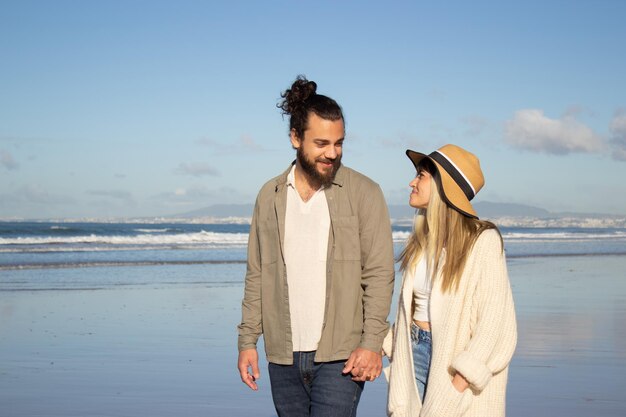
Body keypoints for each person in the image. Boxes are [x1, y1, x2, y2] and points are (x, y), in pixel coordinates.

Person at [237, 75, 395, 417]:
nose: (332, 153)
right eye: (321, 143)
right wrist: (247, 341)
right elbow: (257, 275)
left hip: (341, 355)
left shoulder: (365, 193)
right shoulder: (269, 196)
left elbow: (380, 274)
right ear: (296, 138)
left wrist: (371, 344)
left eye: (339, 143)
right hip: (282, 354)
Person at [383, 144, 517, 417]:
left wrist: (459, 381)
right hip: (415, 353)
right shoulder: (422, 242)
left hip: (454, 367)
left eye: (420, 175)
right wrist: (384, 345)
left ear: (444, 186)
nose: (411, 181)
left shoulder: (483, 241)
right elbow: (414, 311)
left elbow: (495, 322)